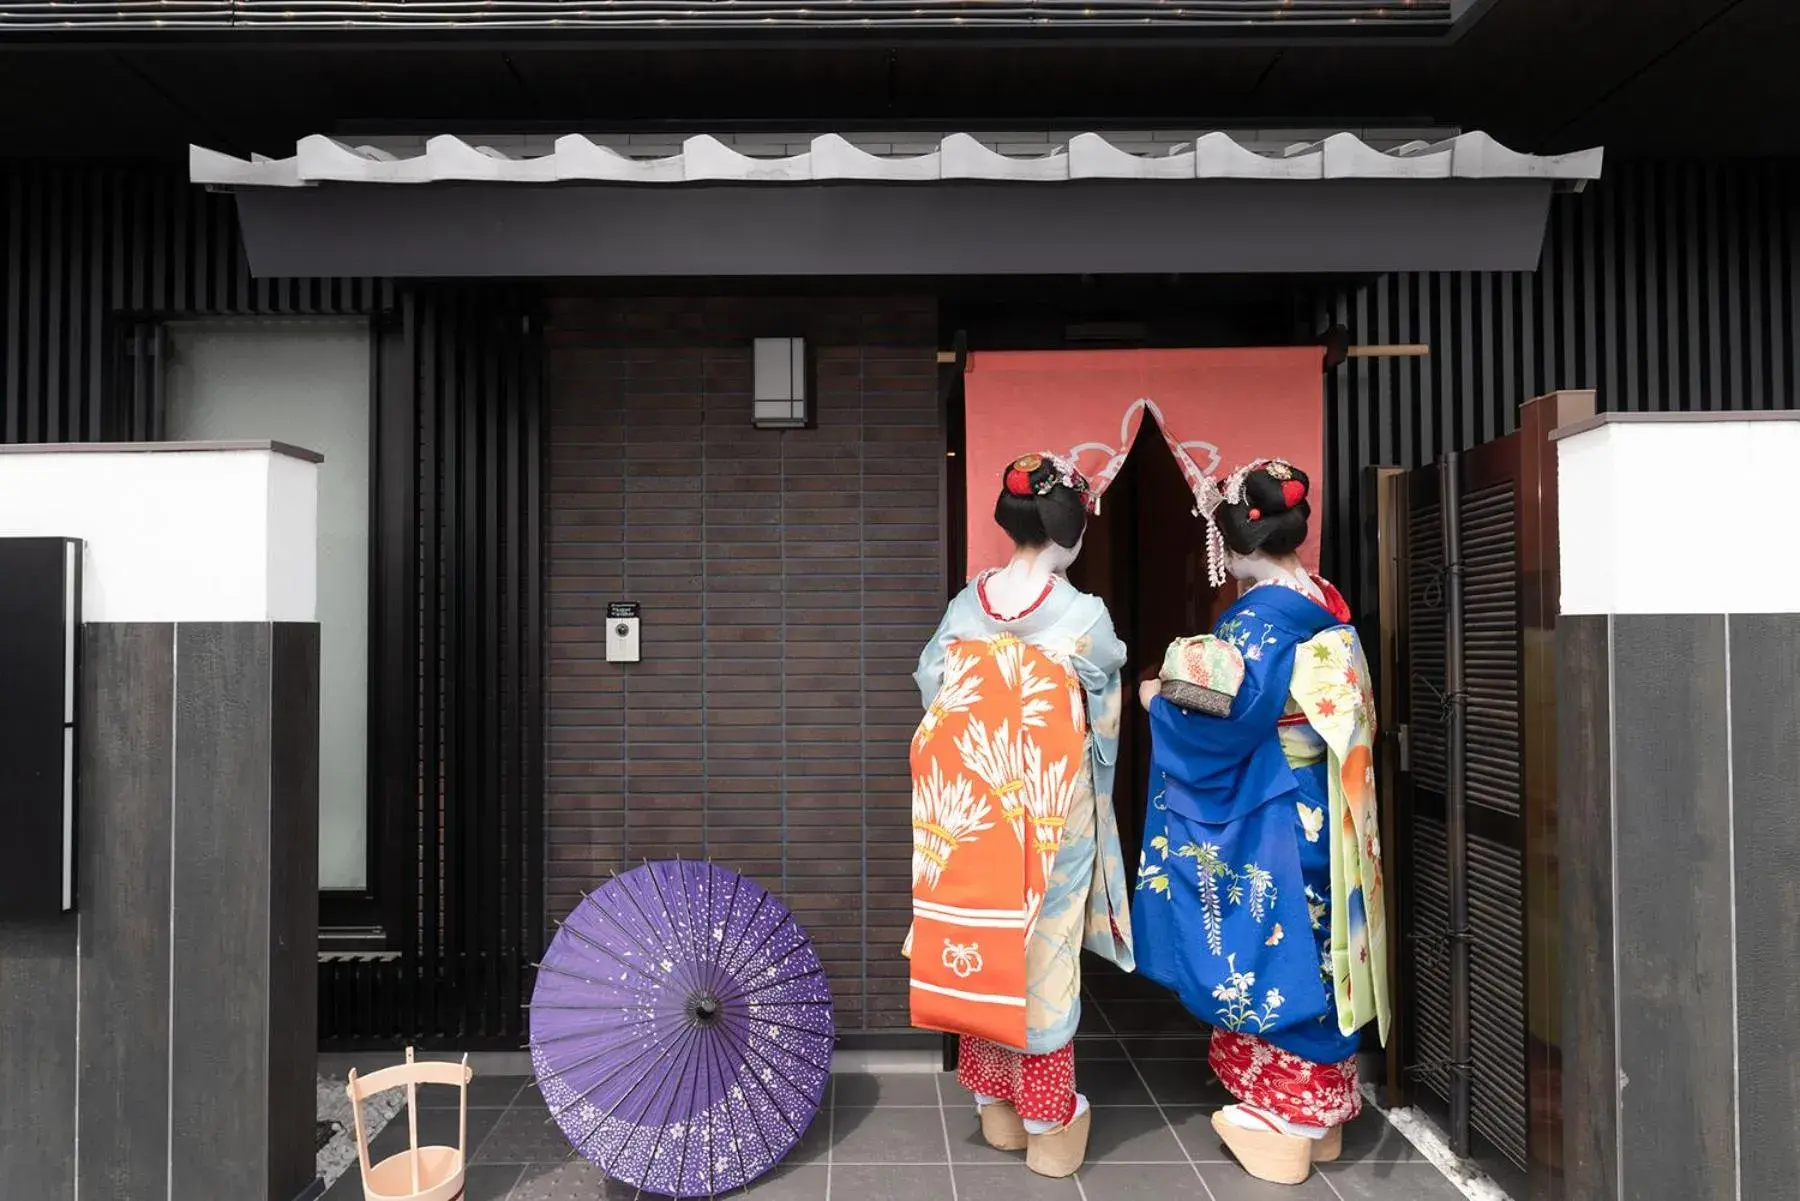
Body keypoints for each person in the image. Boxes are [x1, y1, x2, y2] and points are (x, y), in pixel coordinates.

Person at [1130, 458, 1390, 1186]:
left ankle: (1289, 1118)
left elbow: (1231, 723)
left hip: (1276, 804)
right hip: (1326, 801)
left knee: (1270, 942)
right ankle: (1326, 1109)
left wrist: (1157, 699)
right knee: (1321, 936)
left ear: (1235, 546)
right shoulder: (1324, 599)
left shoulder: (1258, 619)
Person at [906, 451, 1135, 1179]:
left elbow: (930, 687)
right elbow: (1107, 677)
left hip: (975, 813)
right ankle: (1046, 1115)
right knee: (1044, 951)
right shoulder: (1084, 613)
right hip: (1047, 811)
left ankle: (995, 1103)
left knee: (987, 936)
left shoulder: (967, 604)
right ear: (1070, 528)